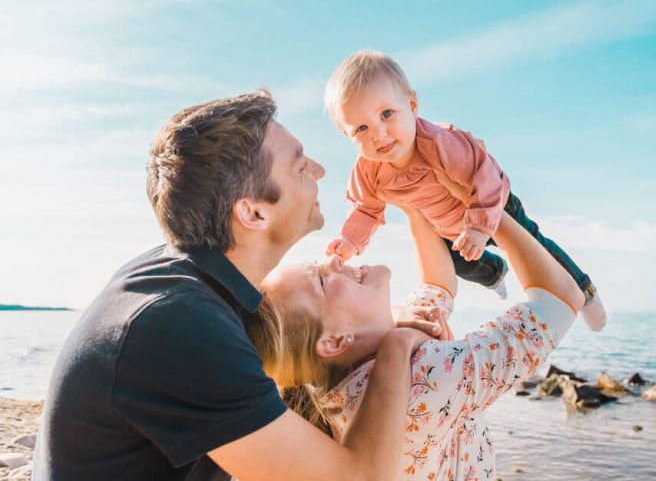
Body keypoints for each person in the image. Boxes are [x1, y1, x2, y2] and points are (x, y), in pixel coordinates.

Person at [32, 90, 442, 481]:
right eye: (300, 166)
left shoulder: (187, 284)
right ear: (253, 213)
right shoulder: (180, 325)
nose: (319, 171)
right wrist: (395, 344)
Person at [248, 200, 591, 480]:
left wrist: (413, 197)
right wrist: (491, 208)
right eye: (321, 281)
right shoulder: (424, 374)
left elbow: (438, 284)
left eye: (317, 264)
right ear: (335, 341)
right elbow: (562, 300)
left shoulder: (347, 373)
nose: (334, 259)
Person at [324, 50, 606, 330]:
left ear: (412, 105)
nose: (378, 133)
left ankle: (584, 291)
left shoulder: (440, 143)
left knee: (536, 247)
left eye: (387, 114)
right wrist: (351, 241)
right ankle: (495, 273)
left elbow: (486, 178)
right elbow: (365, 209)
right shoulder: (367, 171)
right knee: (463, 265)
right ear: (346, 135)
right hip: (446, 226)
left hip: (490, 203)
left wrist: (480, 228)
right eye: (361, 128)